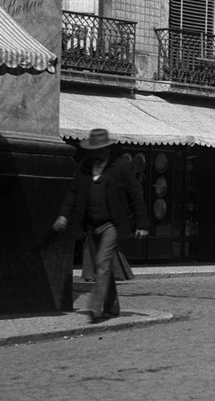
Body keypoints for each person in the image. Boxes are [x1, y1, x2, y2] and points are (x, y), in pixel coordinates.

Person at [54, 128, 149, 323]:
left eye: (100, 149)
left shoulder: (120, 168)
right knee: (102, 267)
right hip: (91, 225)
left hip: (111, 224)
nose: (97, 153)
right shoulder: (84, 167)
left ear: (107, 149)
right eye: (94, 150)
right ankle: (112, 307)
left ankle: (95, 309)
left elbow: (136, 195)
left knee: (102, 264)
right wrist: (63, 214)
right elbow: (73, 192)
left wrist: (141, 224)